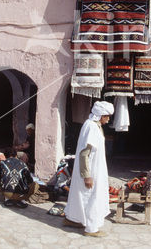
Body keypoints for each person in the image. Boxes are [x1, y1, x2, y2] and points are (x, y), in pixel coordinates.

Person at [64, 100, 114, 237]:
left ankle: (73, 219)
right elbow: (84, 153)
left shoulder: (93, 125)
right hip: (91, 171)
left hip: (94, 168)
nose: (108, 119)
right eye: (107, 116)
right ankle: (91, 229)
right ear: (100, 115)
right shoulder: (91, 127)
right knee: (92, 197)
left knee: (80, 196)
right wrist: (87, 175)